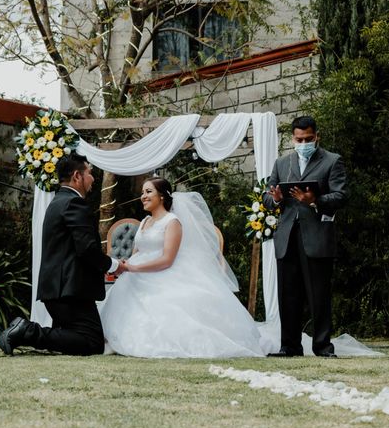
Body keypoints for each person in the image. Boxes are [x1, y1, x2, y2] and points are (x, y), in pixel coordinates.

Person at [99, 177, 268, 358]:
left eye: (148, 192)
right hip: (135, 275)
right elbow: (135, 254)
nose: (143, 196)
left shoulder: (172, 222)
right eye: (142, 192)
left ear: (162, 196)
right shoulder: (144, 222)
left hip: (163, 274)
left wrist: (133, 268)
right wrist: (125, 267)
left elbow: (167, 259)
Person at [0, 153, 124, 356]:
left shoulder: (58, 201)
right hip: (69, 291)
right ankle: (26, 331)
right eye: (90, 173)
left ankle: (26, 331)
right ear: (77, 176)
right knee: (91, 342)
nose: (93, 178)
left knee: (69, 337)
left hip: (58, 290)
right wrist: (115, 265)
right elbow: (87, 249)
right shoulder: (74, 203)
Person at [263, 115, 347, 357]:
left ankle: (322, 347)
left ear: (316, 136)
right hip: (287, 236)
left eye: (308, 139)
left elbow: (341, 196)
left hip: (316, 236)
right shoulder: (281, 163)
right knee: (287, 295)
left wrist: (315, 201)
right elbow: (268, 197)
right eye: (299, 139)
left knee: (318, 295)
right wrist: (276, 199)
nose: (304, 143)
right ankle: (289, 346)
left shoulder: (332, 161)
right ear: (293, 139)